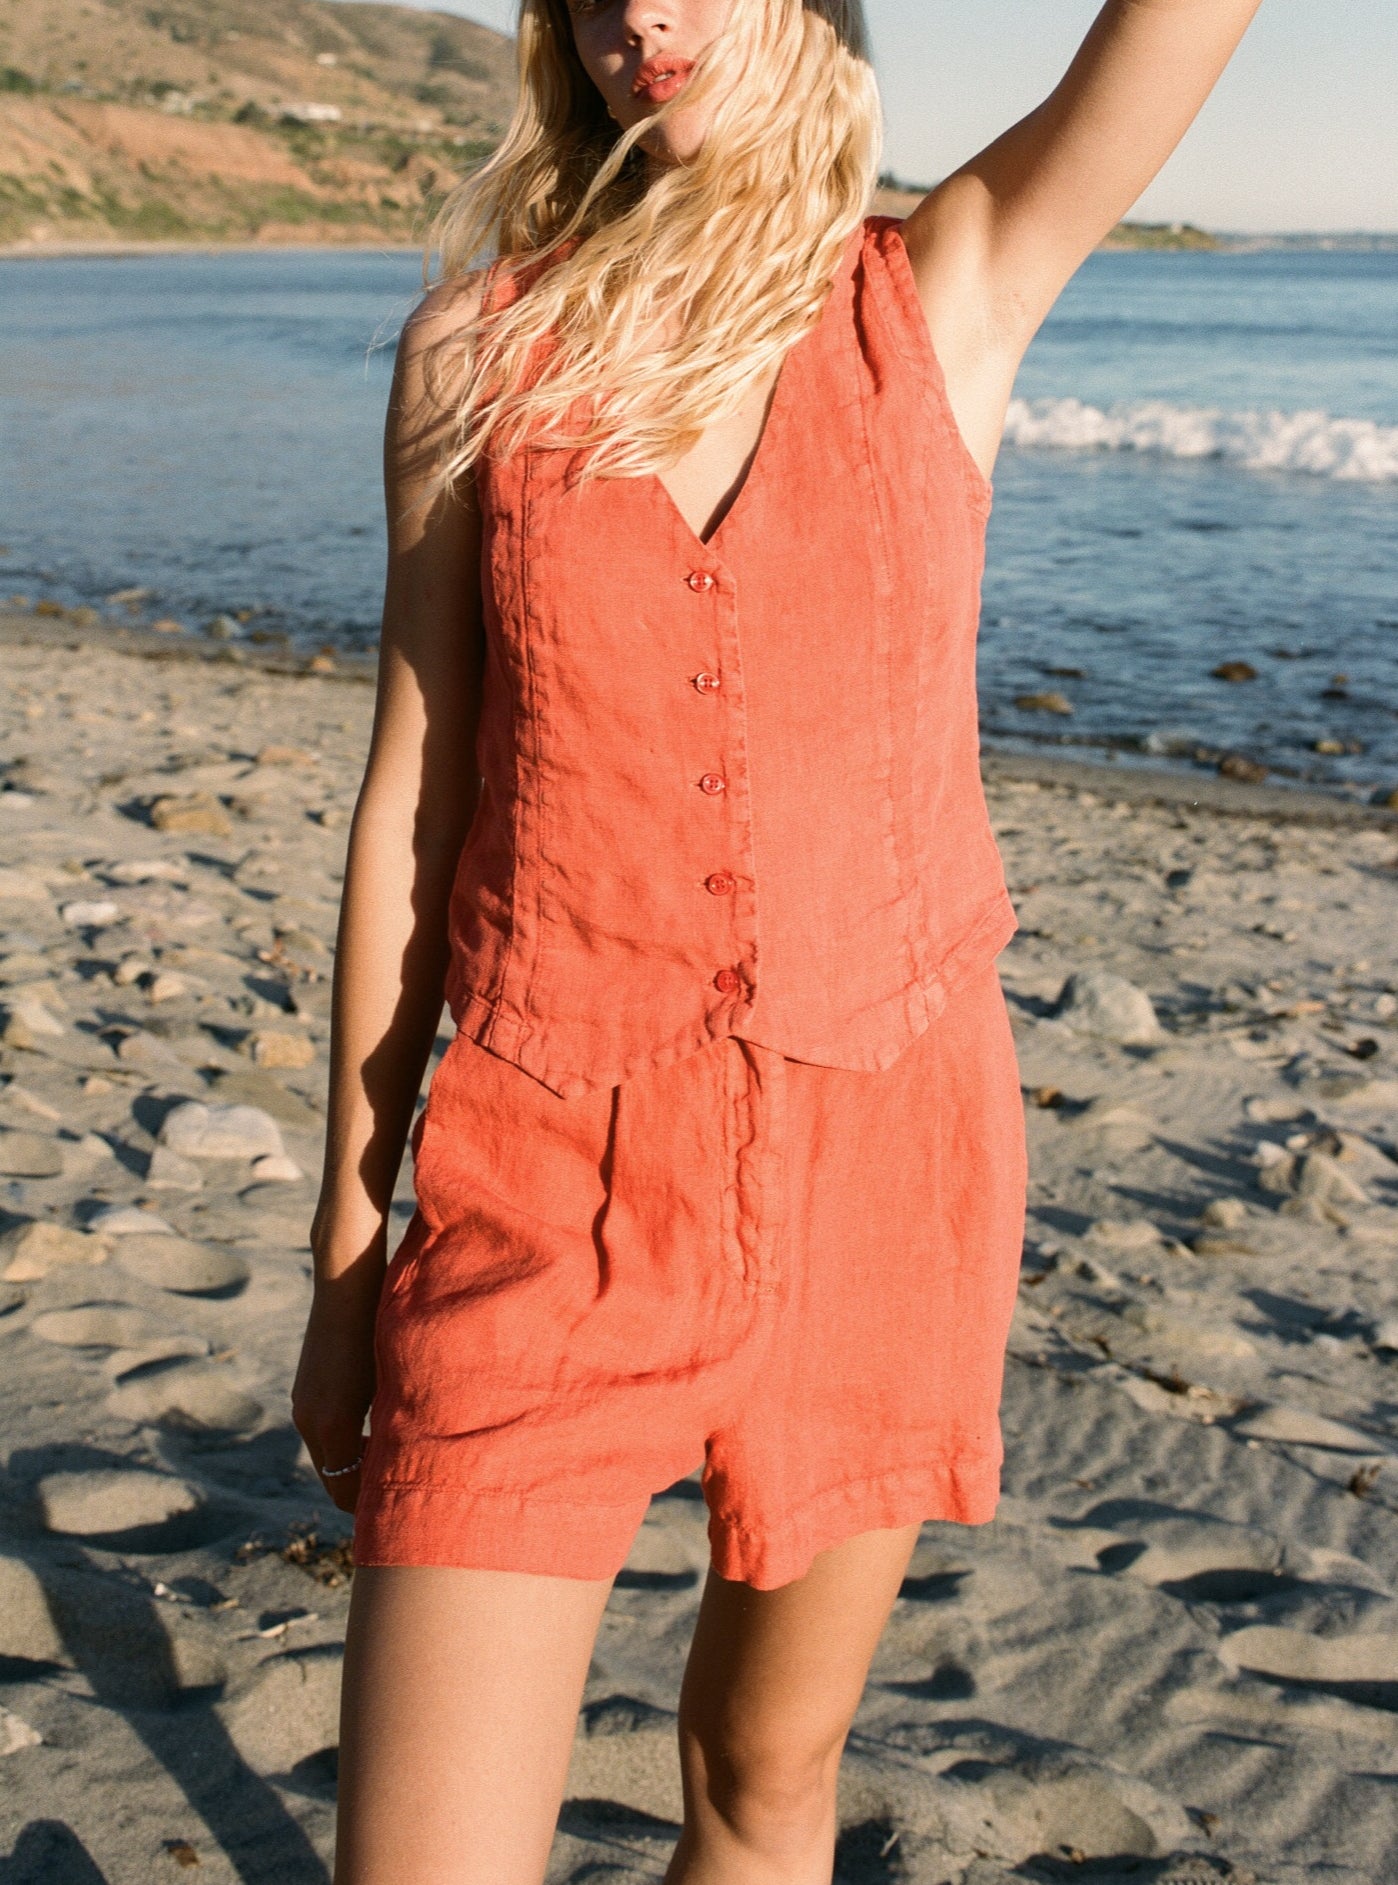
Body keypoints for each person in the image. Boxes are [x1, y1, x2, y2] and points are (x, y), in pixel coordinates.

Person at [292, 2, 1263, 1878]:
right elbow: (414, 795)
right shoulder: (479, 350)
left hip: (885, 1172)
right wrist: (346, 1266)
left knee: (762, 1780)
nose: (636, 15)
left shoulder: (945, 292)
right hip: (543, 1181)